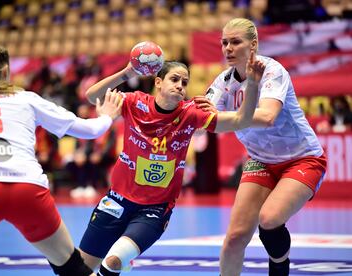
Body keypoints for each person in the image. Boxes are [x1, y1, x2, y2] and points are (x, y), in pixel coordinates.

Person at [0, 43, 123, 276]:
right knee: (72, 267)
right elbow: (89, 130)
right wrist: (106, 117)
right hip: (28, 192)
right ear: (6, 71)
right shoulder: (27, 99)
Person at [78, 54, 266, 276]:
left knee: (113, 262)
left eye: (184, 83)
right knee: (78, 270)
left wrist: (252, 84)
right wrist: (127, 73)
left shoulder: (191, 113)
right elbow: (92, 96)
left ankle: (122, 260)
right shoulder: (134, 102)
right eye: (174, 79)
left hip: (154, 209)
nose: (180, 86)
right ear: (158, 82)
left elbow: (240, 121)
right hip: (116, 201)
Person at [195, 18, 327, 276]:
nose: (228, 49)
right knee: (234, 237)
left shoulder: (273, 70)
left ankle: (280, 270)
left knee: (269, 219)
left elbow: (267, 117)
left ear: (253, 44)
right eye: (224, 43)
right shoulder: (223, 81)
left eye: (235, 42)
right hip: (260, 160)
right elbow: (201, 123)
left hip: (302, 159)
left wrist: (222, 120)